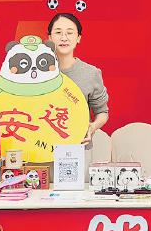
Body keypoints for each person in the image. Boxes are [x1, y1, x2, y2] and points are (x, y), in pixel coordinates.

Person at [46, 12, 109, 144]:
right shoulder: (37, 72)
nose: (64, 38)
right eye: (58, 32)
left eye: (69, 33)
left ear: (78, 38)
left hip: (78, 147)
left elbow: (102, 112)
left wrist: (93, 126)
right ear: (50, 38)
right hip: (42, 147)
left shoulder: (91, 73)